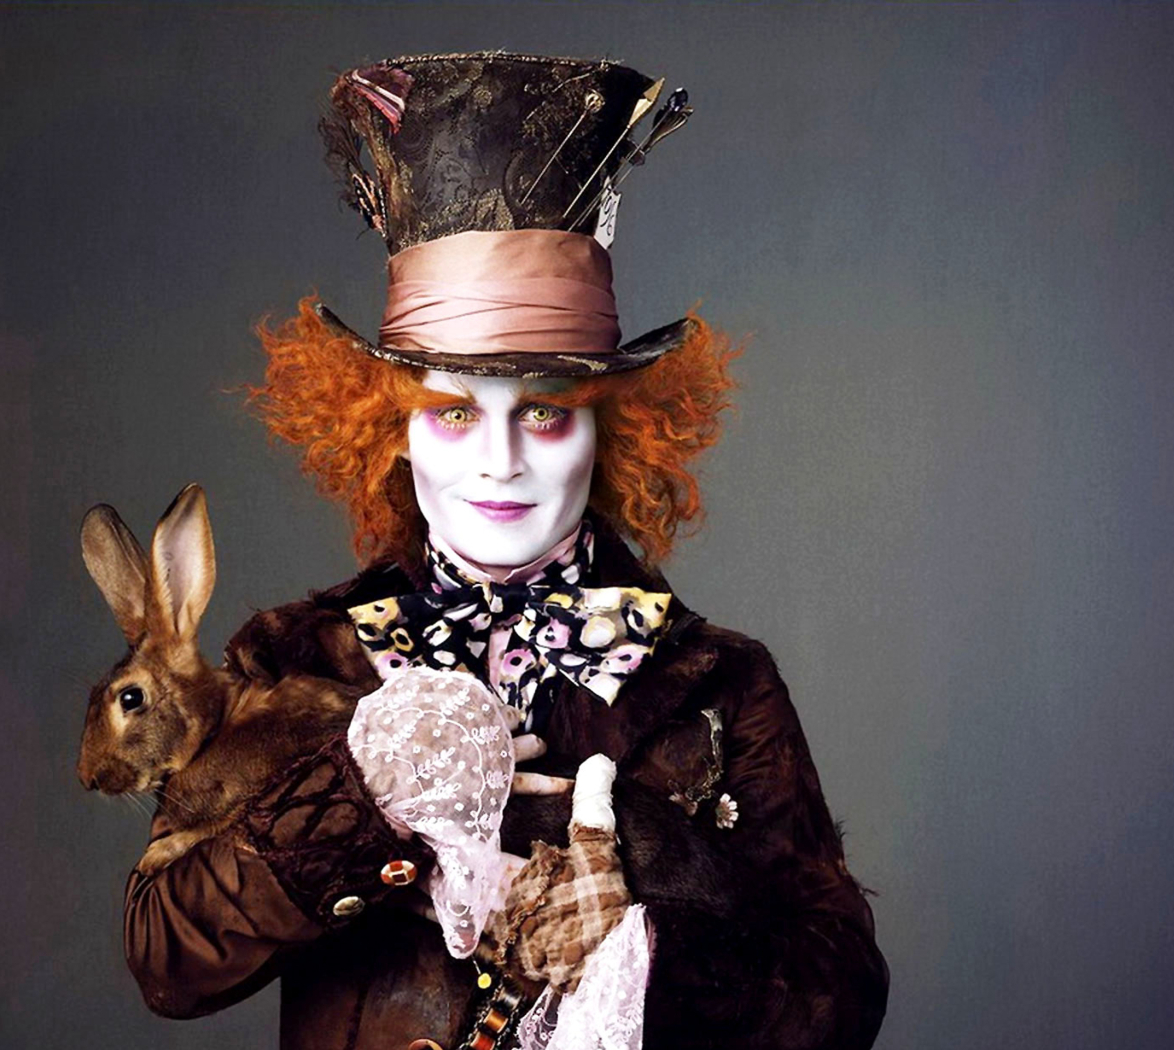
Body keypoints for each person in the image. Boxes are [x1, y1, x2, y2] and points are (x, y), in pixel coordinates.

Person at [123, 52, 888, 1050]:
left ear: (609, 429)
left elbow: (840, 1004)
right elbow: (166, 960)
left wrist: (643, 927)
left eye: (544, 411)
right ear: (391, 431)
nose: (498, 460)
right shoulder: (297, 657)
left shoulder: (718, 683)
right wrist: (359, 796)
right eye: (452, 412)